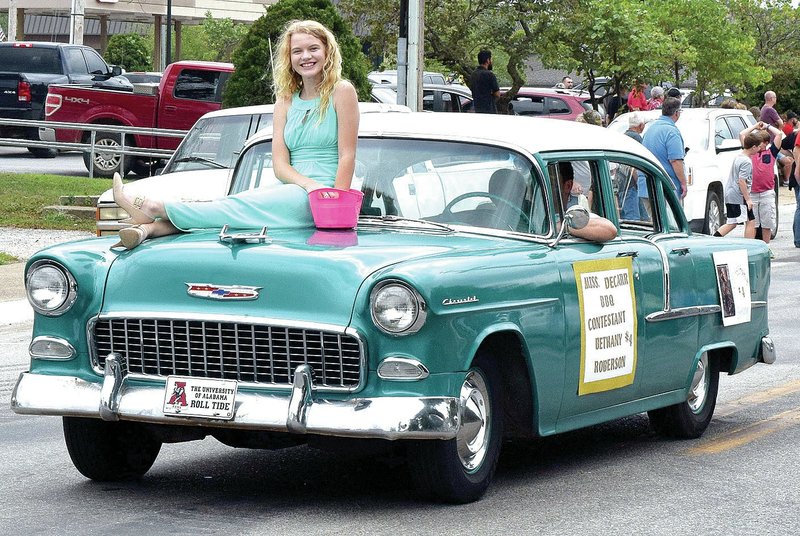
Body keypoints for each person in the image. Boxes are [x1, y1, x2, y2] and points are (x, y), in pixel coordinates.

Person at [111, 19, 359, 250]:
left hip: (324, 196)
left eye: (313, 48)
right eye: (297, 51)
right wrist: (308, 185)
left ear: (327, 52)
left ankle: (155, 207)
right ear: (289, 58)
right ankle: (153, 228)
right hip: (291, 188)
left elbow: (347, 155)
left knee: (238, 206)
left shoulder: (342, 91)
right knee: (237, 203)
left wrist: (332, 204)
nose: (306, 56)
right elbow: (281, 167)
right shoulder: (284, 101)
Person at [556, 162, 618, 241]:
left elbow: (608, 229)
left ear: (568, 186)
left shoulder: (571, 217)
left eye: (552, 182)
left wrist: (562, 226)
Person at [716, 130, 760, 239]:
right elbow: (741, 180)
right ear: (753, 147)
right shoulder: (746, 161)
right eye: (758, 147)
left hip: (731, 194)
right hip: (738, 196)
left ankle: (714, 238)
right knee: (745, 222)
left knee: (737, 222)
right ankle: (749, 247)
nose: (759, 149)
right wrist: (748, 199)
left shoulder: (739, 156)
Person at [642, 97, 687, 199]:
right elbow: (675, 160)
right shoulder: (671, 132)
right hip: (665, 189)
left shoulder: (650, 129)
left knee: (651, 215)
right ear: (676, 113)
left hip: (646, 187)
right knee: (668, 215)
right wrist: (683, 183)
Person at [748, 123, 781, 245]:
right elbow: (743, 135)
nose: (757, 144)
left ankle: (766, 246)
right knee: (753, 223)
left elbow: (779, 134)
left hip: (767, 192)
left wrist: (767, 126)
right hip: (753, 192)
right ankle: (752, 247)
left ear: (766, 142)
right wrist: (755, 126)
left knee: (767, 223)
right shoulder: (751, 152)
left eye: (759, 142)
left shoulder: (771, 152)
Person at [618, 113, 645, 220]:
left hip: (621, 180)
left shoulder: (623, 135)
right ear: (641, 125)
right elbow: (635, 163)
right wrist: (639, 181)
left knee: (636, 215)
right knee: (633, 218)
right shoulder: (636, 138)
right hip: (631, 183)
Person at [469, 50, 499, 114]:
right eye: (491, 59)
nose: (491, 61)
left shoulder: (473, 74)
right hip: (489, 110)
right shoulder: (489, 75)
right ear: (488, 60)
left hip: (477, 109)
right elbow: (497, 94)